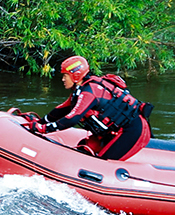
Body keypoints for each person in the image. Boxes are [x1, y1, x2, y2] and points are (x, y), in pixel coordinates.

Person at [20, 55, 151, 160]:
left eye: (65, 76)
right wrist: (39, 122)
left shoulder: (89, 92)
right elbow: (61, 110)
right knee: (85, 147)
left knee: (103, 160)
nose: (63, 80)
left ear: (75, 76)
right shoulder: (81, 90)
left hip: (133, 131)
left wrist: (43, 129)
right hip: (114, 131)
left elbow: (72, 119)